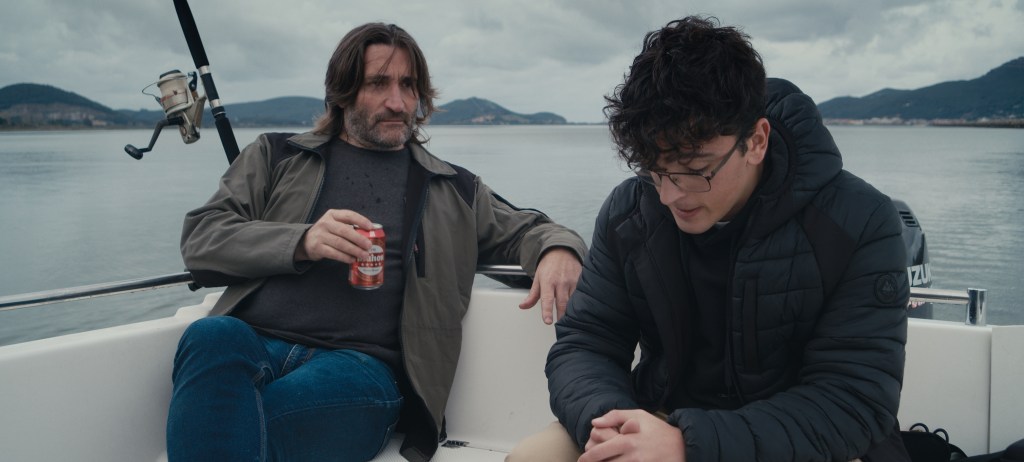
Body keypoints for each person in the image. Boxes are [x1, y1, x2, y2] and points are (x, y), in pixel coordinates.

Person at [167, 22, 586, 462]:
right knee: (211, 334)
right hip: (255, 341)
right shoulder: (276, 155)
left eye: (409, 85)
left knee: (232, 420)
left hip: (361, 369)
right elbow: (202, 237)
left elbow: (530, 229)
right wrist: (302, 241)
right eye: (378, 84)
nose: (398, 102)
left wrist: (558, 249)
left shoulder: (453, 188)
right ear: (342, 92)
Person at [508, 16, 911, 462]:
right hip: (660, 417)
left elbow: (852, 401)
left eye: (695, 171)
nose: (669, 195)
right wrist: (614, 426)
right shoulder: (630, 211)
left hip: (800, 441)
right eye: (655, 169)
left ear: (756, 141)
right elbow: (587, 342)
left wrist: (688, 444)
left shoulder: (859, 222)